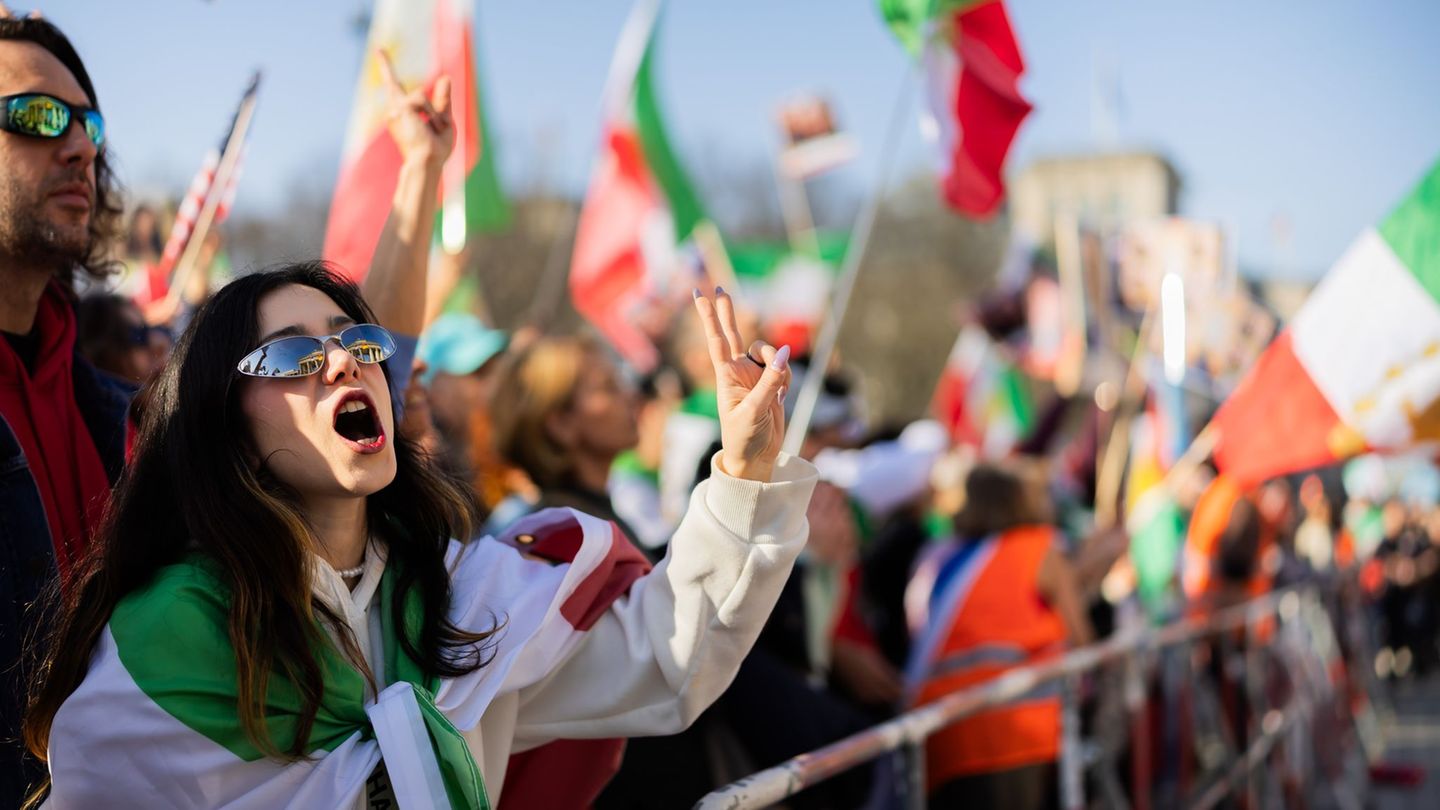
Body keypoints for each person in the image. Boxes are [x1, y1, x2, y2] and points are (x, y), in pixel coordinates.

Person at [23, 269, 812, 808]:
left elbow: (668, 657)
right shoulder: (159, 643)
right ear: (221, 421)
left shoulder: (466, 596)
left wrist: (744, 476)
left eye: (358, 342)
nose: (343, 364)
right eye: (294, 353)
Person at [0, 14, 128, 806]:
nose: (80, 146)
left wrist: (421, 172)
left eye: (89, 123)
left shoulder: (124, 418)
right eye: (39, 116)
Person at [904, 460, 1092, 810]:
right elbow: (1080, 638)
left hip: (943, 731)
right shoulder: (1038, 548)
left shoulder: (939, 555)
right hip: (1017, 730)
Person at [486, 334, 645, 543]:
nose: (630, 394)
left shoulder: (586, 516)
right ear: (561, 424)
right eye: (608, 387)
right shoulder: (575, 535)